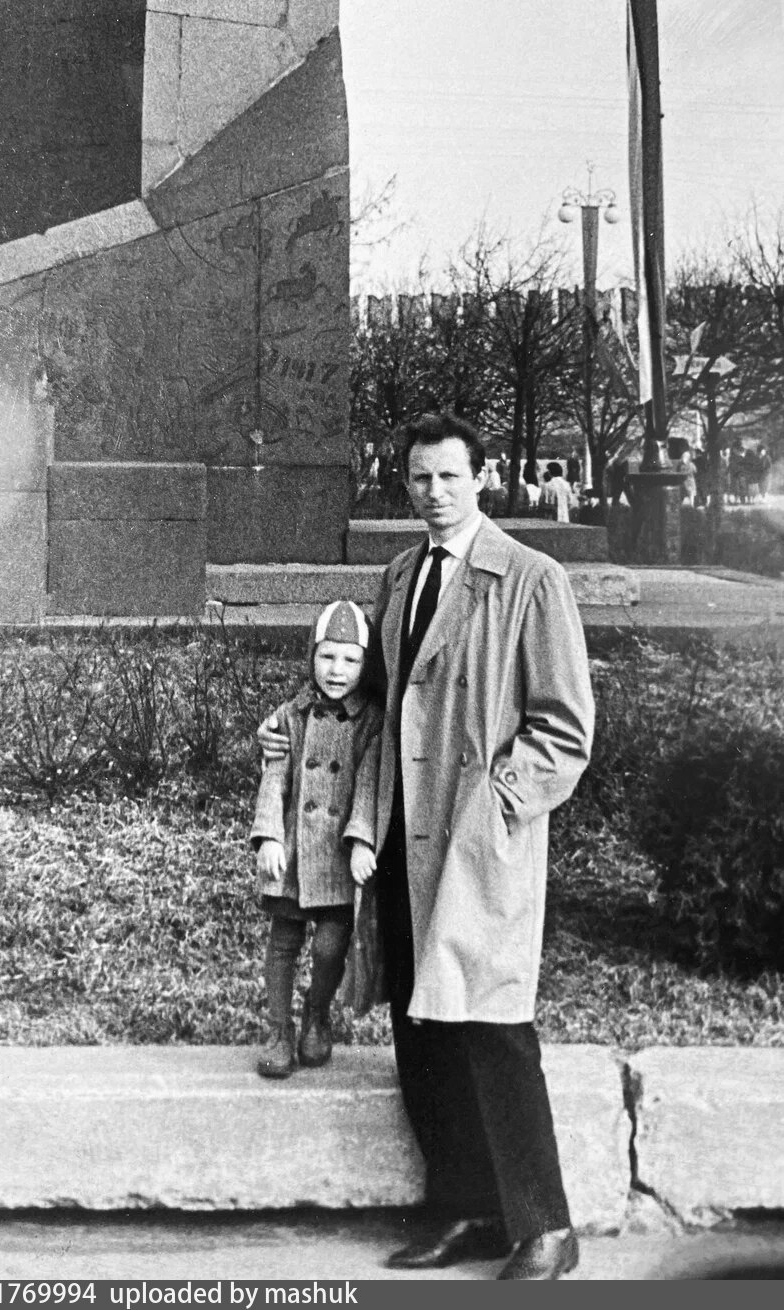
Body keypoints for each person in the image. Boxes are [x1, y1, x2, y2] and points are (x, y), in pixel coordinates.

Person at [260, 410, 595, 1280]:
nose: (434, 492)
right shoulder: (401, 574)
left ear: (479, 478)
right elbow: (373, 701)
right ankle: (465, 1209)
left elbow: (563, 728)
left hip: (478, 841)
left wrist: (499, 805)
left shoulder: (530, 579)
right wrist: (295, 735)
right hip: (400, 838)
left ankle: (546, 1227)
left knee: (492, 1026)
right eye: (419, 477)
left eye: (449, 476)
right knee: (422, 1024)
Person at [250, 600, 383, 1080]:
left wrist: (362, 840)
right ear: (311, 657)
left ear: (366, 665)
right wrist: (269, 836)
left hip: (338, 857)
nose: (336, 670)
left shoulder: (371, 722)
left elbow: (369, 785)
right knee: (283, 943)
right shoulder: (291, 715)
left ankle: (317, 1013)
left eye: (350, 659)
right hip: (293, 851)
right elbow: (274, 779)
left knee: (330, 947)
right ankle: (278, 1030)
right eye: (327, 656)